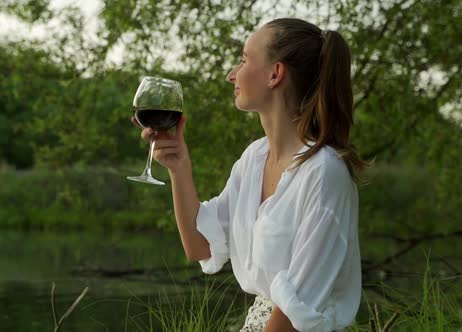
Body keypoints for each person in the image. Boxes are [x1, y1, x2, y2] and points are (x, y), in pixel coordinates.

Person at [131, 17, 373, 332]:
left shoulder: (324, 173)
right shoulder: (254, 158)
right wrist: (179, 167)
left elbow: (293, 315)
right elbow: (199, 246)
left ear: (275, 74)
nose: (232, 73)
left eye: (244, 59)